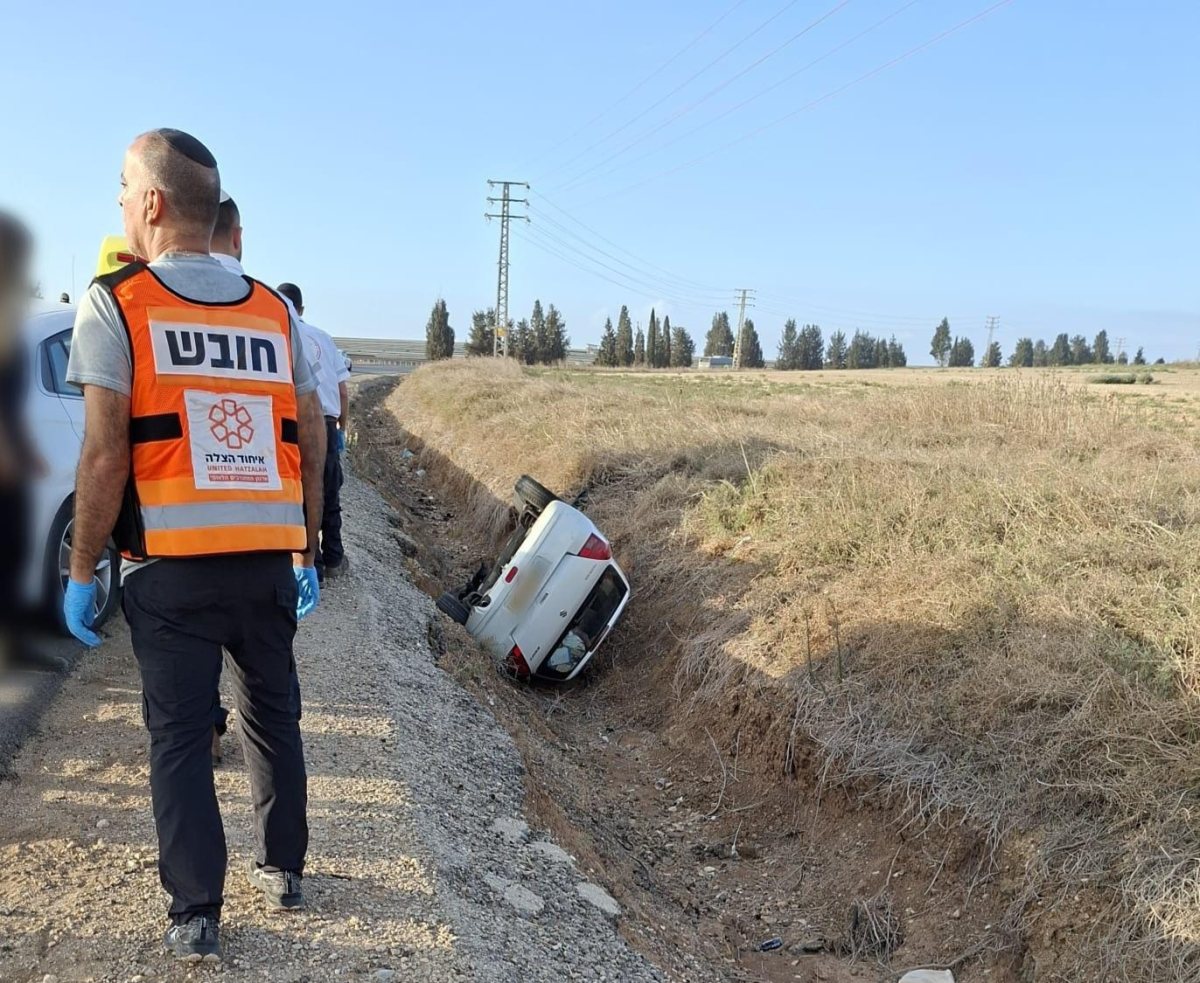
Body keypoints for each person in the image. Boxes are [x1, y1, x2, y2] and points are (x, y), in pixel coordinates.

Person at [63, 128, 326, 963]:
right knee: (273, 712)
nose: (117, 202)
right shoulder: (273, 311)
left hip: (169, 573)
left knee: (180, 735)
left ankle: (196, 912)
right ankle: (284, 866)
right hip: (263, 563)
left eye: (120, 189)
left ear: (150, 203)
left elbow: (105, 453)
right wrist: (309, 547)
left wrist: (81, 570)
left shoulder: (118, 303)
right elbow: (310, 437)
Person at [275, 282, 350, 583]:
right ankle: (333, 560)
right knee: (328, 493)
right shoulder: (323, 338)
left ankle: (310, 564)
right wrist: (342, 425)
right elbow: (342, 390)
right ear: (302, 309)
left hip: (290, 424)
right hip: (326, 424)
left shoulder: (276, 333)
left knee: (298, 496)